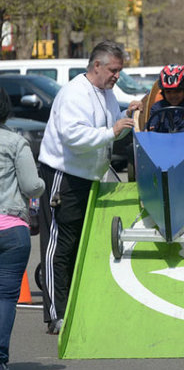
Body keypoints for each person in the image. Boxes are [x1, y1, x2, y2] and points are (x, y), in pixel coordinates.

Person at [37, 40, 142, 335]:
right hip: (64, 175)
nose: (116, 76)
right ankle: (56, 314)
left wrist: (126, 111)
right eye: (113, 70)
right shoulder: (74, 93)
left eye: (119, 71)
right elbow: (74, 135)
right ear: (97, 65)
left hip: (89, 178)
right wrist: (112, 131)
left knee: (80, 243)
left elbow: (106, 119)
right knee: (59, 244)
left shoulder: (105, 92)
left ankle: (73, 305)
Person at [0, 88, 45, 370]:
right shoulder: (16, 142)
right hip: (11, 231)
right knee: (5, 297)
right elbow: (31, 186)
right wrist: (42, 185)